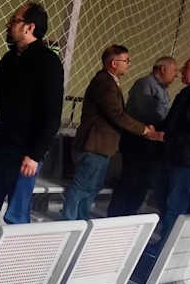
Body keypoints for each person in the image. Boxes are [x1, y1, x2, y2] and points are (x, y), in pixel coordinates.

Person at [0, 3, 64, 227]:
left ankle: (13, 252)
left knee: (16, 214)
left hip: (26, 153)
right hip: (1, 146)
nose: (8, 24)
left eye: (14, 20)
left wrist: (35, 154)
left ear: (29, 27)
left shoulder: (48, 63)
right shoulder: (10, 58)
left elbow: (52, 115)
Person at [61, 45, 153, 221]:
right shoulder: (105, 84)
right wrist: (144, 130)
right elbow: (117, 115)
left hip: (101, 147)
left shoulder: (109, 82)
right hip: (94, 146)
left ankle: (80, 220)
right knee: (82, 187)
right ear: (113, 63)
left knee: (92, 187)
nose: (129, 64)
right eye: (126, 60)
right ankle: (68, 222)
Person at [107, 56, 178, 217]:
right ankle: (116, 218)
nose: (176, 74)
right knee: (129, 182)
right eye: (174, 70)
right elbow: (146, 113)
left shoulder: (162, 90)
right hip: (137, 143)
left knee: (141, 184)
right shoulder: (145, 84)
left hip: (150, 144)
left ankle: (130, 218)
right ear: (163, 69)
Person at [152, 54, 190, 242]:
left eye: (186, 67)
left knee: (176, 206)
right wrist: (155, 130)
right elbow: (171, 122)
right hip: (171, 157)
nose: (181, 70)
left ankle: (170, 246)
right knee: (164, 201)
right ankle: (164, 241)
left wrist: (165, 137)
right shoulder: (184, 94)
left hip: (188, 162)